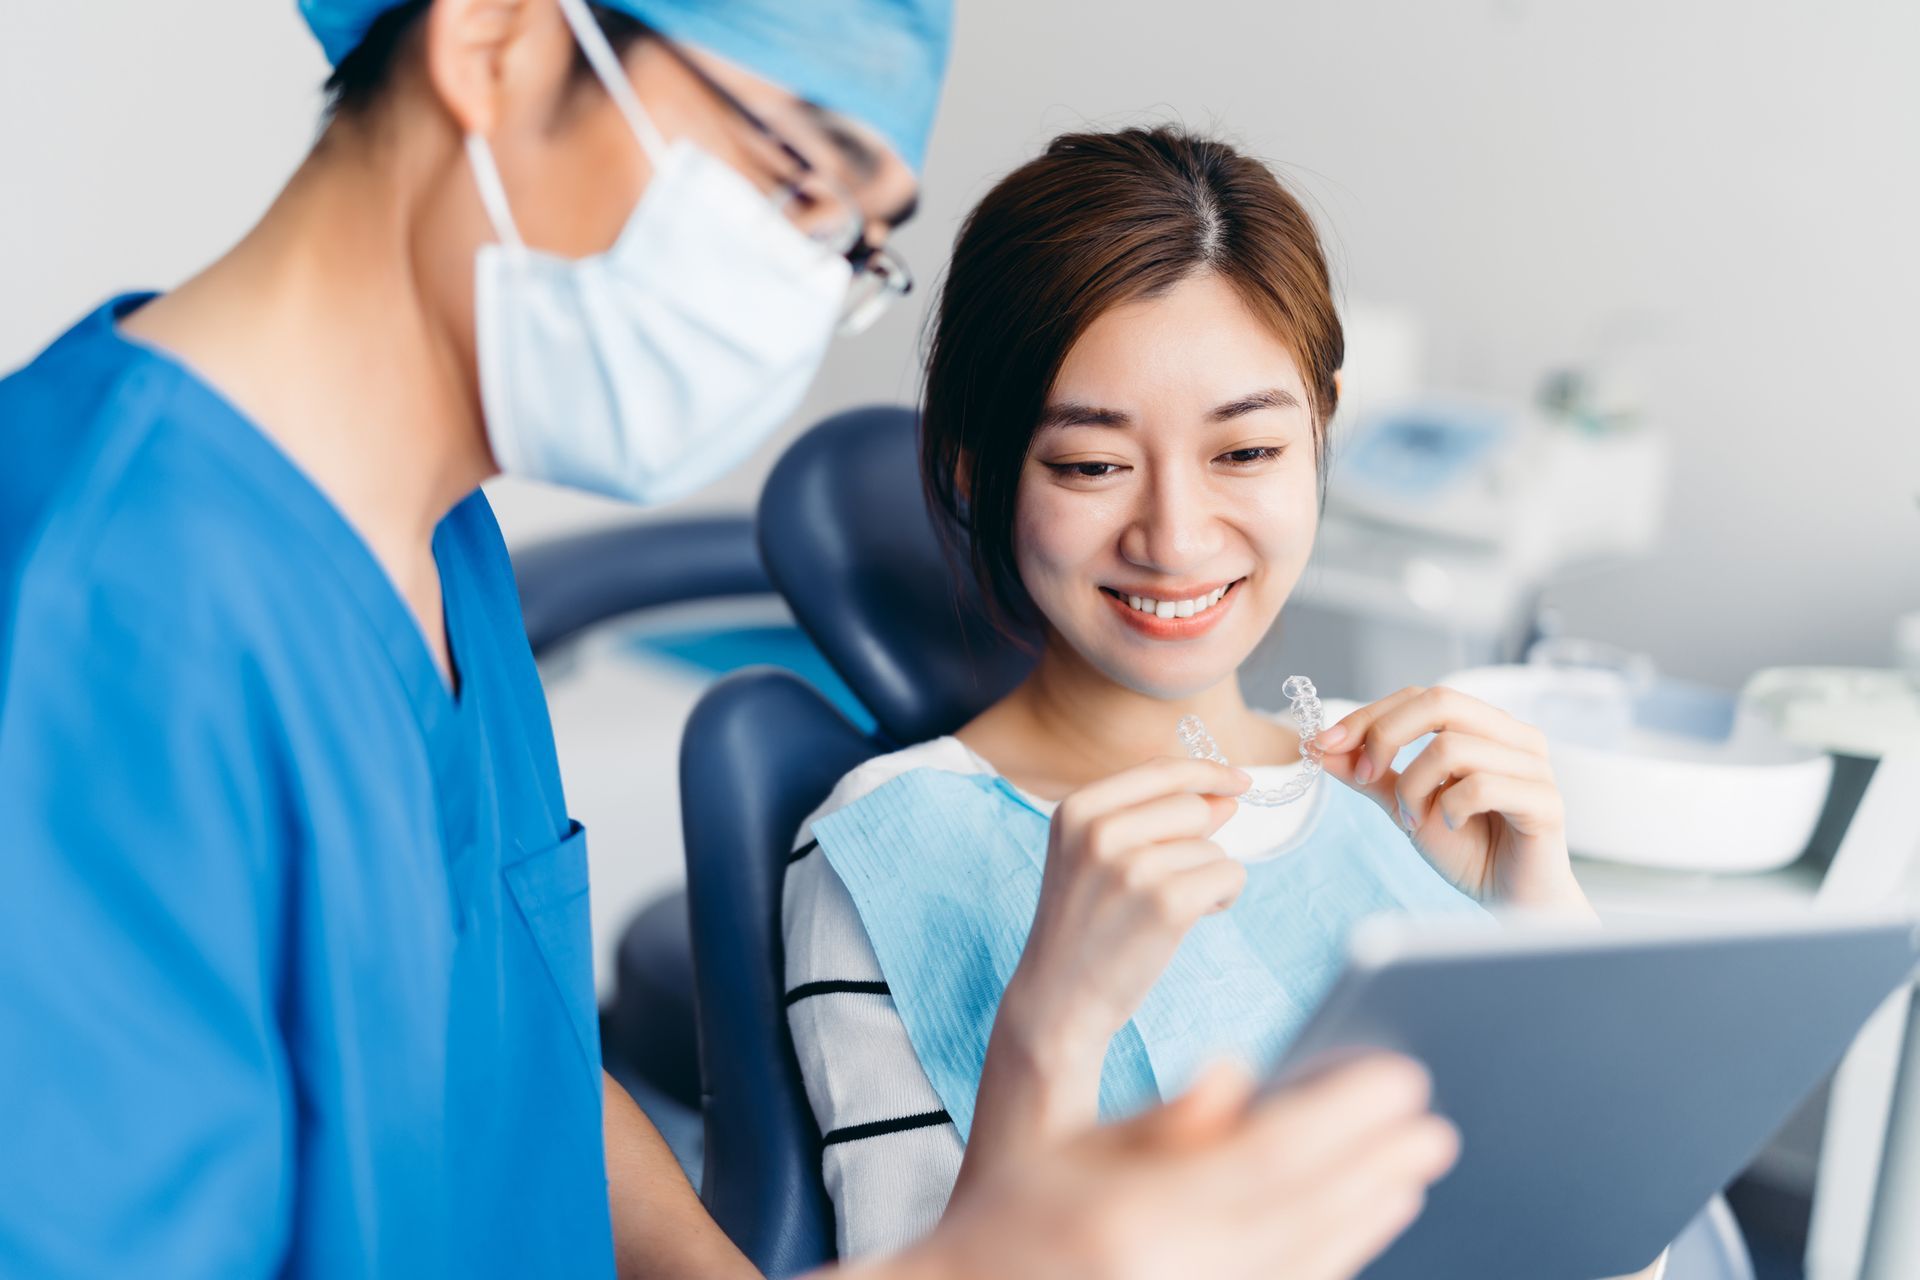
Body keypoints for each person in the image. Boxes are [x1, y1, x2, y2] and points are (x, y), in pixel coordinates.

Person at [0, 3, 1458, 1278]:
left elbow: (519, 1065)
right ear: (498, 36)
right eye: (795, 176)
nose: (800, 293)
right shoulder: (90, 621)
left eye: (854, 244)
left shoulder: (434, 543)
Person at [784, 125, 1658, 1277]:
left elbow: (1613, 1243)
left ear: (1319, 431)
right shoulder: (892, 845)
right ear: (971, 471)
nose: (1177, 539)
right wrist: (1053, 1021)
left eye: (1245, 451)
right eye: (1092, 466)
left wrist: (1542, 915)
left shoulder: (1420, 796)